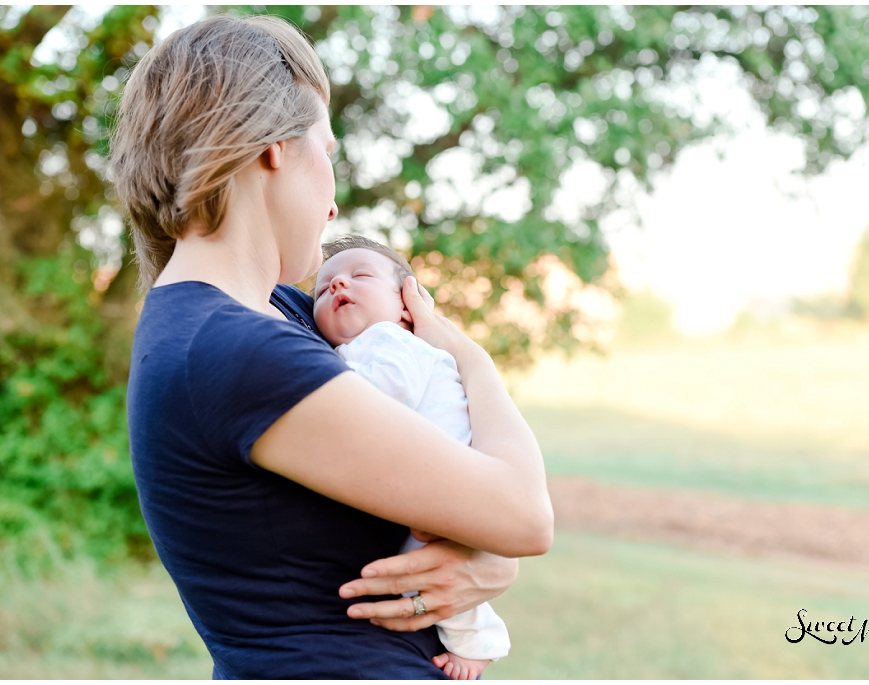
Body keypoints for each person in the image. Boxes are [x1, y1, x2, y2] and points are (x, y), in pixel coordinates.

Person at [111, 13, 553, 680]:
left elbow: (488, 517)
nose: (335, 203)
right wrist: (472, 357)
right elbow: (523, 513)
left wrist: (489, 553)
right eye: (329, 151)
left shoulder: (271, 315)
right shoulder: (233, 350)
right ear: (272, 148)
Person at [314, 235, 511, 680]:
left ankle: (478, 643)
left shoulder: (391, 341)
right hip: (441, 483)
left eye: (359, 276)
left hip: (452, 484)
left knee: (432, 564)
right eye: (323, 288)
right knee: (424, 561)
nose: (337, 284)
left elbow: (387, 391)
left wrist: (328, 381)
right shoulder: (355, 349)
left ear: (406, 305)